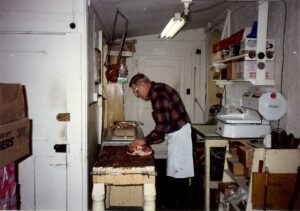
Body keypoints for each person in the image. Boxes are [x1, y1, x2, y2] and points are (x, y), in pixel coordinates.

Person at [128, 73, 194, 208]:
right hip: (178, 133)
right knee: (176, 173)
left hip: (180, 136)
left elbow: (163, 126)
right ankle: (177, 203)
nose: (136, 95)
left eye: (136, 91)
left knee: (178, 174)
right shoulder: (159, 90)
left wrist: (144, 141)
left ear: (143, 85)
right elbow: (164, 124)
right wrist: (150, 140)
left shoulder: (158, 92)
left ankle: (178, 205)